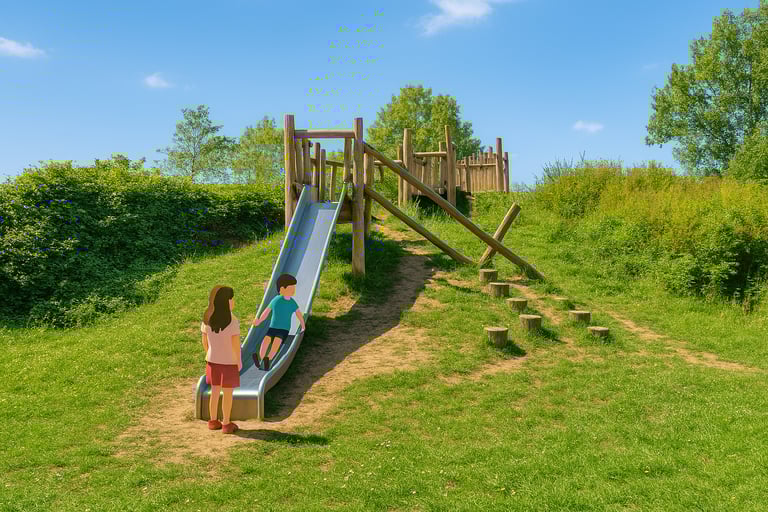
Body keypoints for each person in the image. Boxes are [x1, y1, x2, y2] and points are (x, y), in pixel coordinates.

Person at [201, 285, 242, 434]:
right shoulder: (232, 320)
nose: (233, 301)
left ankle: (212, 421)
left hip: (212, 361)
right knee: (227, 394)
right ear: (226, 301)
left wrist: (209, 353)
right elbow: (236, 345)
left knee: (215, 391)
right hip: (229, 362)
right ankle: (226, 423)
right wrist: (239, 361)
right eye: (231, 299)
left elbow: (204, 341)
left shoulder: (207, 318)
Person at [252, 273, 306, 371]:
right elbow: (267, 311)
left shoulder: (292, 302)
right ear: (282, 289)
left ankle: (268, 359)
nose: (293, 290)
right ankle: (261, 358)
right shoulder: (276, 300)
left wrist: (303, 325)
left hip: (284, 329)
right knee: (266, 340)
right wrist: (259, 321)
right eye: (291, 288)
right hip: (273, 327)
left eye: (293, 288)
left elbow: (298, 314)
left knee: (277, 342)